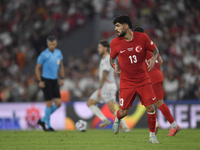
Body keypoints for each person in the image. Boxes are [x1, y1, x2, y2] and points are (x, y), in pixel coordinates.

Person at [110, 15, 159, 143]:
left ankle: (152, 136)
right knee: (124, 112)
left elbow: (156, 50)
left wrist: (154, 58)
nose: (116, 29)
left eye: (118, 26)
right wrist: (114, 65)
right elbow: (112, 58)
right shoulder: (115, 42)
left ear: (126, 26)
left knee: (151, 108)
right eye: (115, 26)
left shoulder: (142, 37)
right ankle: (117, 118)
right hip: (126, 82)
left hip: (143, 79)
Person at [133, 26, 181, 136]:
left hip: (149, 77)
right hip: (158, 75)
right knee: (156, 102)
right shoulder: (150, 44)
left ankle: (158, 124)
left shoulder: (137, 47)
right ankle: (173, 126)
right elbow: (161, 61)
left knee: (148, 101)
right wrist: (154, 68)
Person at [87, 40, 130, 132]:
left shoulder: (107, 58)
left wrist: (100, 88)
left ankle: (125, 127)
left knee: (111, 108)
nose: (98, 49)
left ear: (105, 48)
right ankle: (104, 119)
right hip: (106, 86)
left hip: (107, 87)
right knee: (90, 103)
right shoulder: (105, 58)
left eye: (100, 47)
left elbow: (105, 73)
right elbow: (115, 72)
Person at [35, 35, 65, 131]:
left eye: (53, 44)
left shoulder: (58, 53)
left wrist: (62, 77)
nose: (52, 46)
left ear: (56, 44)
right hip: (46, 80)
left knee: (58, 103)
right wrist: (40, 81)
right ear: (47, 44)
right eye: (50, 44)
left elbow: (61, 66)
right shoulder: (43, 54)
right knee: (49, 103)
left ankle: (42, 120)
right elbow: (37, 68)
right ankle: (48, 126)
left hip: (54, 80)